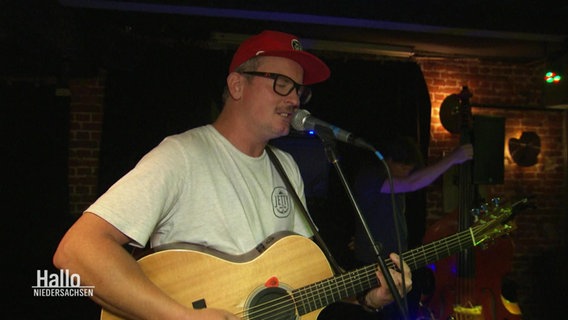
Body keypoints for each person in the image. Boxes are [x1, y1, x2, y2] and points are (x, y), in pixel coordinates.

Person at [53, 30, 412, 320]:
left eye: (299, 90)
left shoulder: (286, 168)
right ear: (237, 85)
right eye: (281, 83)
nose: (294, 100)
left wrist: (369, 298)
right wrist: (178, 316)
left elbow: (304, 282)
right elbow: (77, 251)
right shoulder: (182, 155)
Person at [352, 136, 473, 319]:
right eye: (403, 167)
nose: (406, 173)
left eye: (410, 169)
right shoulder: (371, 176)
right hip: (371, 267)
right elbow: (412, 183)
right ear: (388, 160)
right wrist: (453, 158)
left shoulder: (390, 181)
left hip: (393, 264)